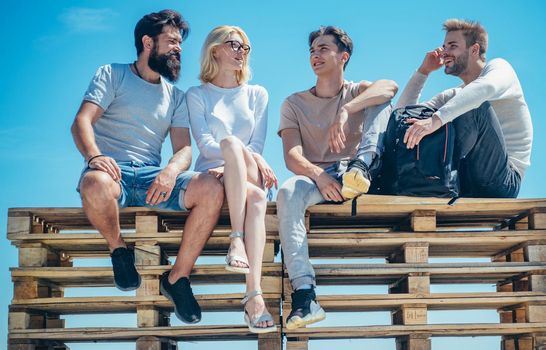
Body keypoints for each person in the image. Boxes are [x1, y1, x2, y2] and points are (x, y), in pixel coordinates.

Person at [71, 10, 224, 325]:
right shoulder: (112, 74)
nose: (178, 48)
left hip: (154, 178)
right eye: (171, 41)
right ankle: (119, 250)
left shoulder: (176, 96)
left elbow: (183, 149)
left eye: (180, 43)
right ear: (147, 42)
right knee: (94, 184)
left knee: (210, 187)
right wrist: (94, 157)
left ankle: (177, 278)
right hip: (114, 175)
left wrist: (170, 171)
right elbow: (82, 121)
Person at [276, 26, 398, 329]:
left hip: (361, 173)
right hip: (321, 177)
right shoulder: (294, 103)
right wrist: (319, 176)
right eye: (312, 50)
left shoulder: (357, 91)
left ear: (343, 57)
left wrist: (347, 110)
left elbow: (390, 87)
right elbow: (292, 156)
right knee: (288, 192)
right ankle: (305, 296)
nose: (315, 55)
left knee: (380, 100)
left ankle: (362, 165)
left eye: (323, 49)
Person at [186, 25, 277, 333]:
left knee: (233, 146)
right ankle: (254, 297)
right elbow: (205, 143)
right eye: (234, 45)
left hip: (245, 167)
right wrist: (229, 161)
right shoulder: (196, 95)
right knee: (258, 197)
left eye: (245, 47)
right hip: (212, 175)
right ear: (215, 51)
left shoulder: (257, 93)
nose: (241, 51)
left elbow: (257, 146)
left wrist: (233, 163)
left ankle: (236, 240)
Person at [396, 19, 532, 198]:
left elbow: (485, 89)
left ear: (474, 50)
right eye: (444, 46)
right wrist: (423, 71)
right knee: (415, 121)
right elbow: (401, 113)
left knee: (473, 107)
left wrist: (434, 121)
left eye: (452, 46)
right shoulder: (455, 95)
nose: (445, 53)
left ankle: (431, 175)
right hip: (465, 179)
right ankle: (422, 179)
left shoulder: (500, 69)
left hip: (503, 181)